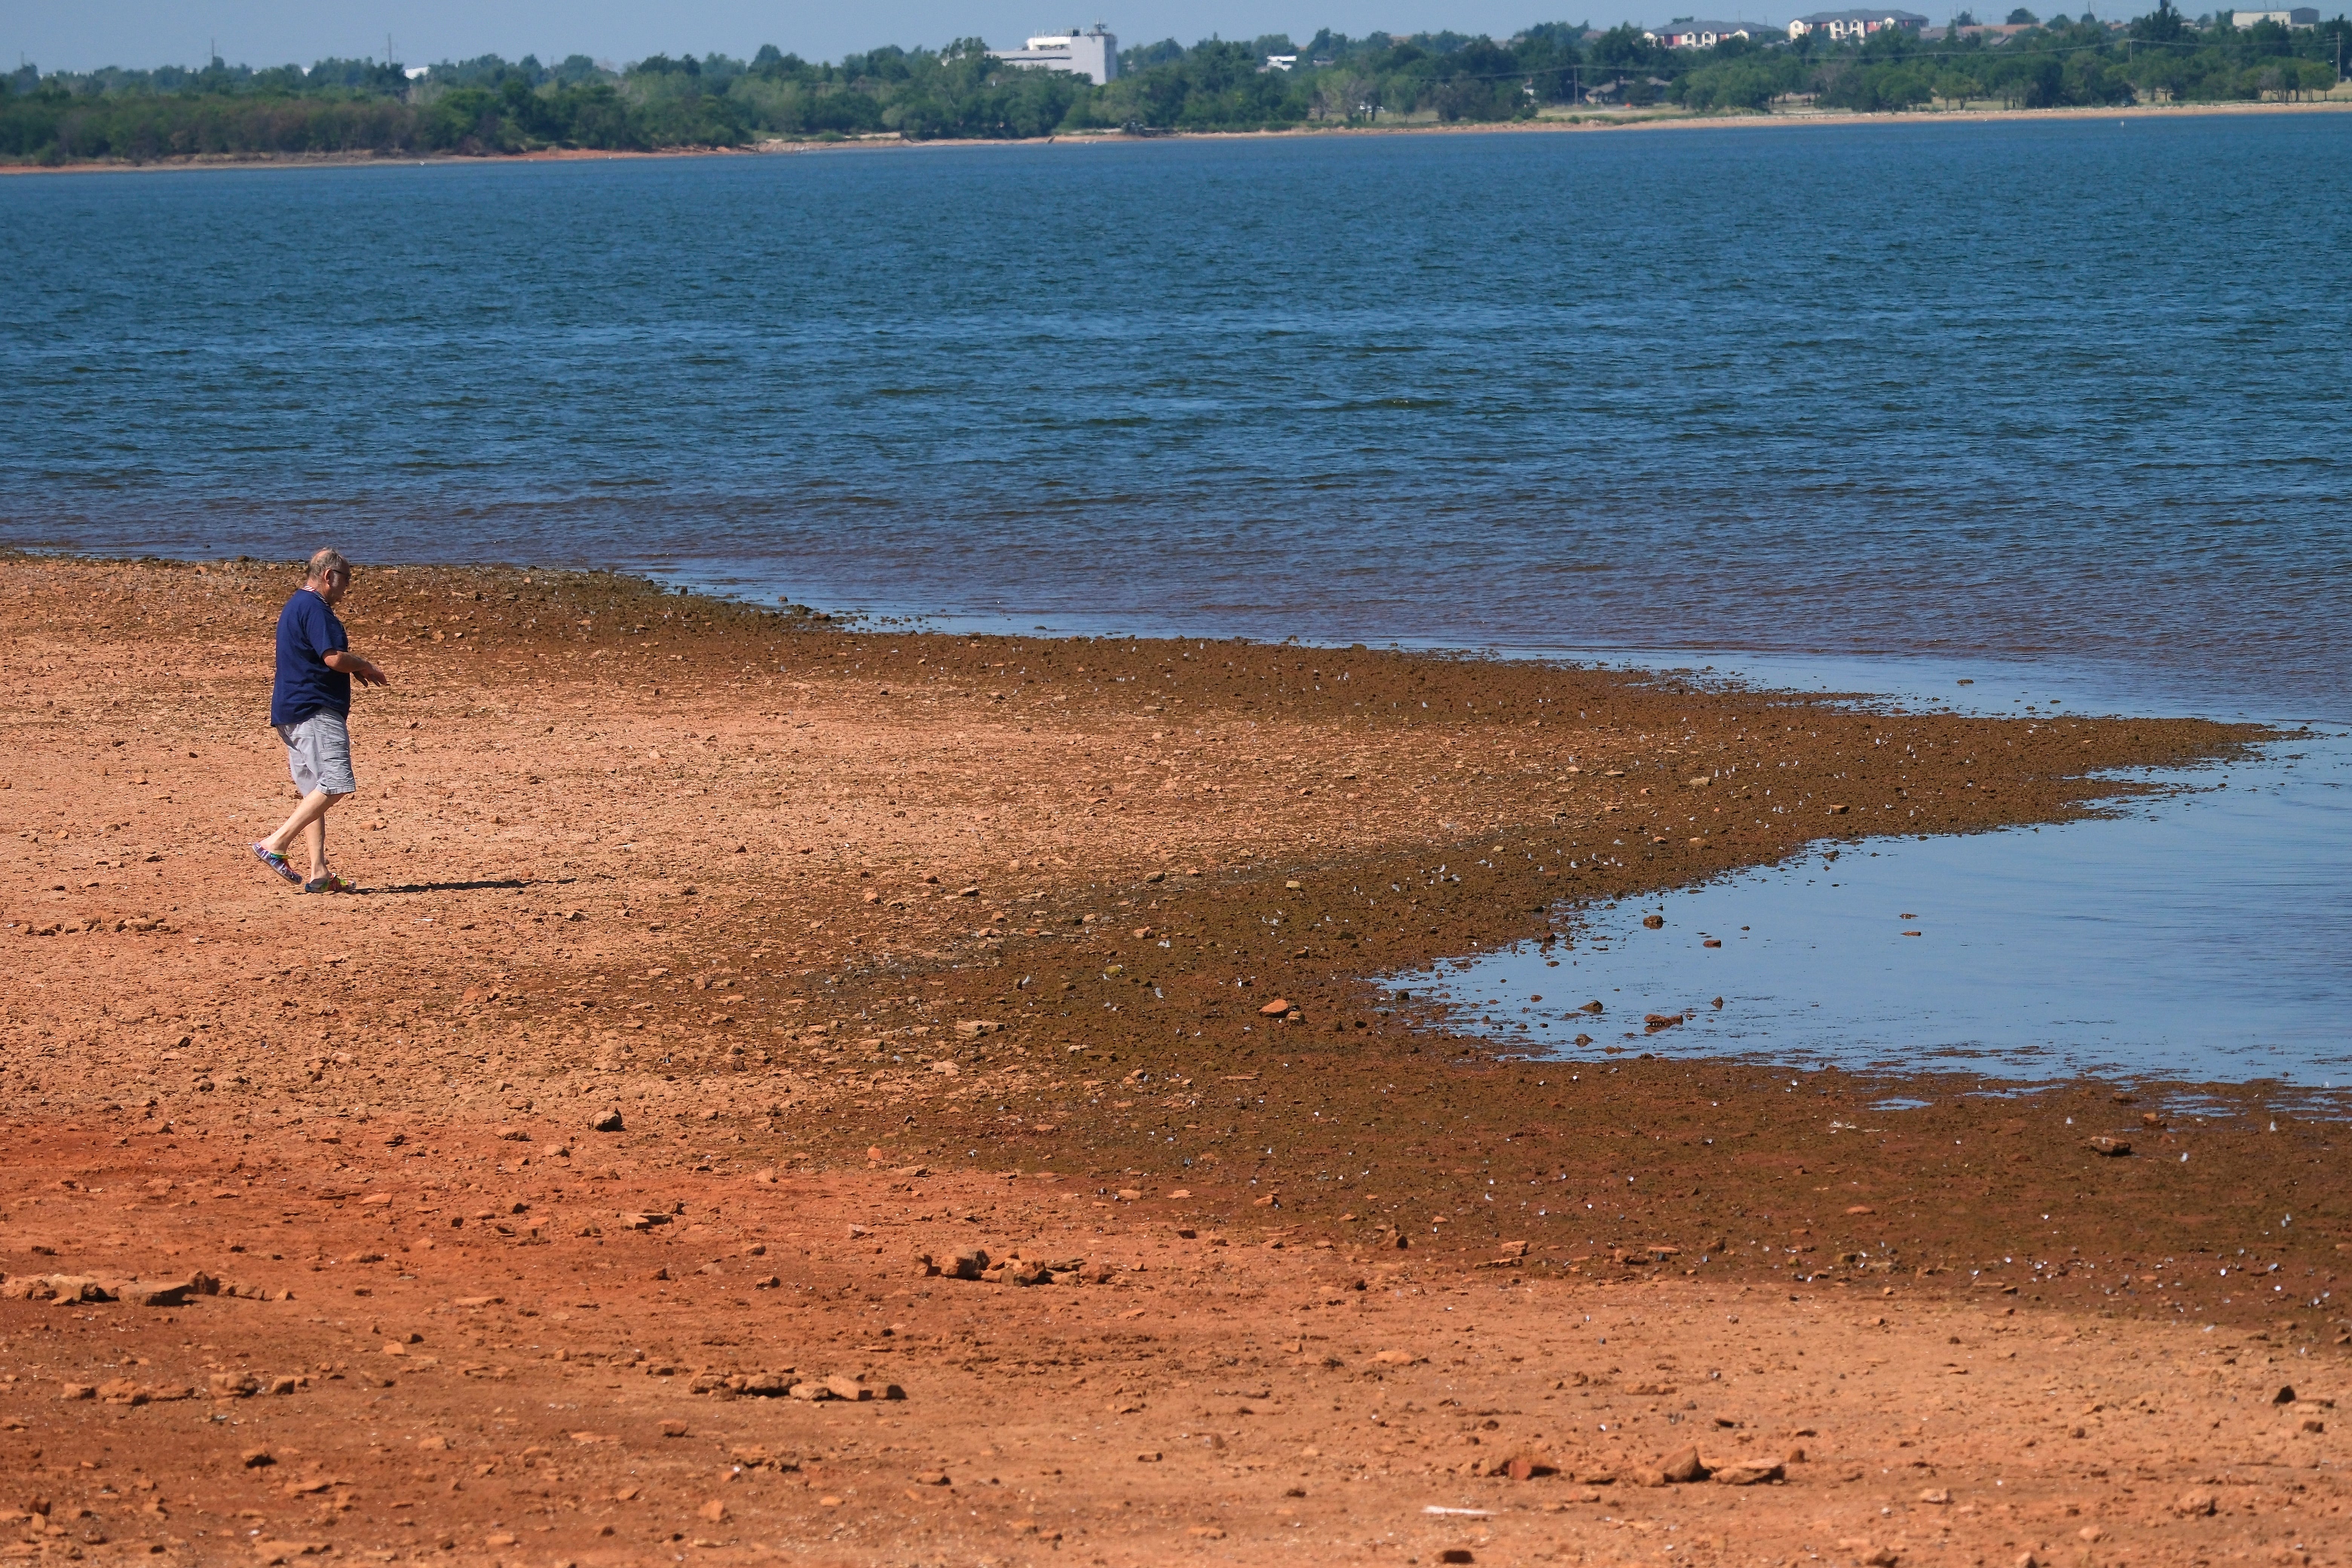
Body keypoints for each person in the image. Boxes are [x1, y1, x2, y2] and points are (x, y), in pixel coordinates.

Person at [250, 549, 388, 894]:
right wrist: (363, 665)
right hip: (315, 710)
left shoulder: (296, 604)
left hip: (291, 711)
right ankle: (275, 843)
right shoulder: (316, 609)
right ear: (329, 577)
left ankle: (319, 874)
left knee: (314, 792)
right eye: (347, 580)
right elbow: (333, 658)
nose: (347, 588)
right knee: (338, 782)